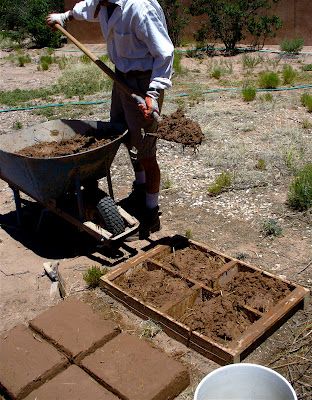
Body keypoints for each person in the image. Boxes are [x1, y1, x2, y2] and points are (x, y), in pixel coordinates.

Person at [47, 0, 174, 239]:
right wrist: (64, 17)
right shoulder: (102, 3)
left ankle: (151, 212)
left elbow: (165, 53)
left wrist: (153, 94)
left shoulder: (139, 9)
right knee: (125, 135)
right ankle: (139, 188)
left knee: (146, 150)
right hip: (121, 79)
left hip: (144, 82)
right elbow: (85, 8)